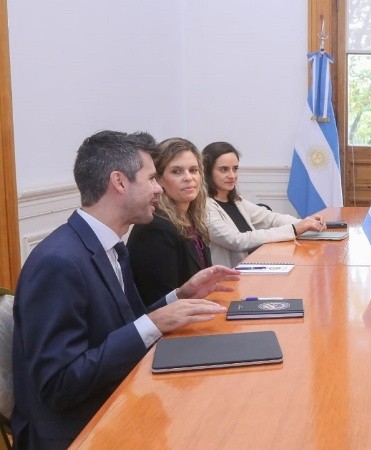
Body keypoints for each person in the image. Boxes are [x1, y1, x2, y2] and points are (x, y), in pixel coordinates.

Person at [11, 131, 238, 449]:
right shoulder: (59, 262)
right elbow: (59, 384)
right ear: (119, 182)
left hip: (120, 397)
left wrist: (180, 296)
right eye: (151, 178)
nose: (159, 189)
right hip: (80, 430)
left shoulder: (110, 246)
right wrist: (156, 322)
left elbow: (126, 326)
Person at [202, 141, 326, 268]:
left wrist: (306, 223)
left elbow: (271, 218)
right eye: (224, 170)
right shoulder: (204, 207)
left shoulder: (237, 201)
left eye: (235, 169)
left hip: (253, 268)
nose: (232, 175)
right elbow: (237, 241)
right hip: (228, 280)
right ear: (207, 171)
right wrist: (295, 229)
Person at [127, 138, 212, 306]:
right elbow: (162, 301)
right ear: (159, 179)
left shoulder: (191, 218)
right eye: (176, 171)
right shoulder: (155, 227)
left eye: (193, 170)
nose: (189, 178)